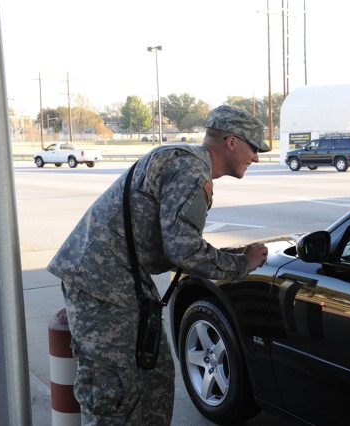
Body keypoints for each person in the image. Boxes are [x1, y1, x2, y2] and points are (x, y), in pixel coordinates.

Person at [47, 105, 270, 425]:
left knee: (153, 380)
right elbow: (183, 251)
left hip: (125, 280)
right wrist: (240, 264)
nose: (257, 157)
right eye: (254, 148)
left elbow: (171, 241)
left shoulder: (184, 161)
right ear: (232, 142)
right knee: (115, 392)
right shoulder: (191, 169)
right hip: (101, 283)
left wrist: (232, 253)